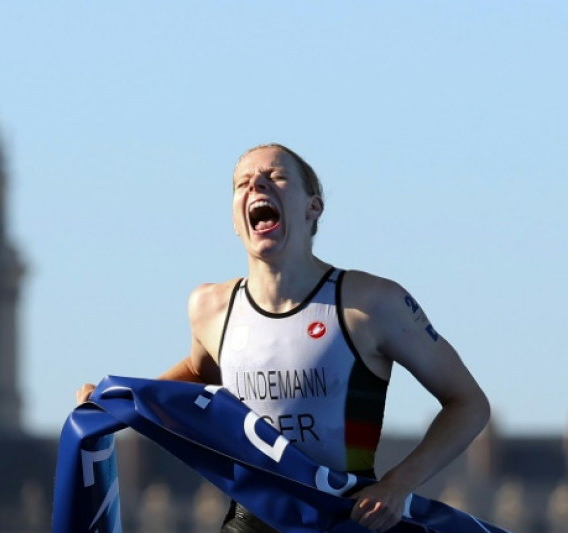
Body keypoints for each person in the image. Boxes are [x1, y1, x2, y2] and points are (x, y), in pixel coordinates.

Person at [76, 143, 490, 532]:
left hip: (348, 516)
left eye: (276, 175)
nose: (257, 184)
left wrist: (399, 484)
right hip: (250, 519)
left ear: (314, 208)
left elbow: (469, 404)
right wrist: (117, 402)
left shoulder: (373, 303)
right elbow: (198, 371)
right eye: (243, 182)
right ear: (236, 222)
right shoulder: (210, 307)